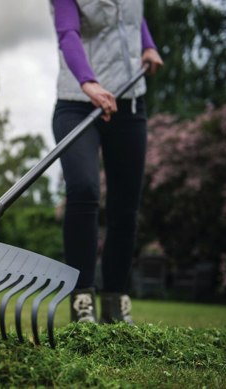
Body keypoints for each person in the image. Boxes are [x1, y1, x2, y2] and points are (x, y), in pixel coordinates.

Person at [51, 0, 163, 324]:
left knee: (125, 207)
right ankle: (82, 302)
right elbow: (67, 32)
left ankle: (115, 305)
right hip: (76, 103)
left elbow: (129, 17)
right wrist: (89, 82)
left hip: (129, 105)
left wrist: (148, 44)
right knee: (84, 189)